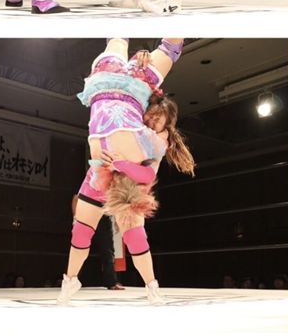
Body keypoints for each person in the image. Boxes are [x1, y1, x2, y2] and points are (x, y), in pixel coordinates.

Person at [57, 37, 195, 305]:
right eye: (152, 116)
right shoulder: (142, 112)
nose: (152, 121)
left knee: (134, 237)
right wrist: (142, 54)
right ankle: (70, 280)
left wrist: (118, 165)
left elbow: (148, 176)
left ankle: (151, 286)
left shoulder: (158, 142)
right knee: (81, 233)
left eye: (157, 121)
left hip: (119, 179)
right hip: (126, 89)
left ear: (165, 127)